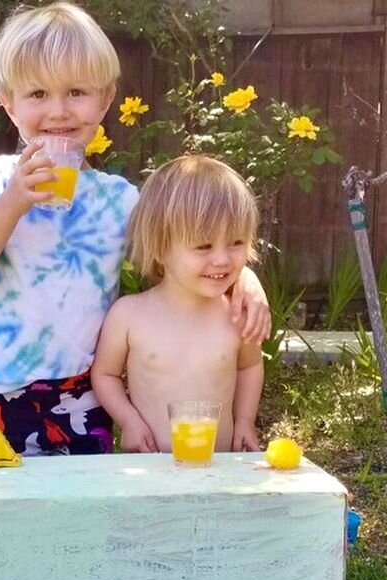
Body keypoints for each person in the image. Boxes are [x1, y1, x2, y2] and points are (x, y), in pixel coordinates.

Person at [0, 2, 269, 456]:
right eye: (37, 95)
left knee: (88, 511)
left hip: (88, 388)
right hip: (6, 387)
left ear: (106, 99)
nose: (58, 110)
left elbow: (178, 257)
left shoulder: (120, 199)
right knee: (12, 508)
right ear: (6, 103)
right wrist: (13, 202)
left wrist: (245, 280)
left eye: (77, 91)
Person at [91, 154, 264, 454]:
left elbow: (250, 366)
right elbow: (105, 374)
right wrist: (129, 422)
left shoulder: (235, 314)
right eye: (203, 246)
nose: (222, 259)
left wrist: (245, 421)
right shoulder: (130, 315)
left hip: (218, 468)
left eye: (236, 242)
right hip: (149, 470)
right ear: (160, 248)